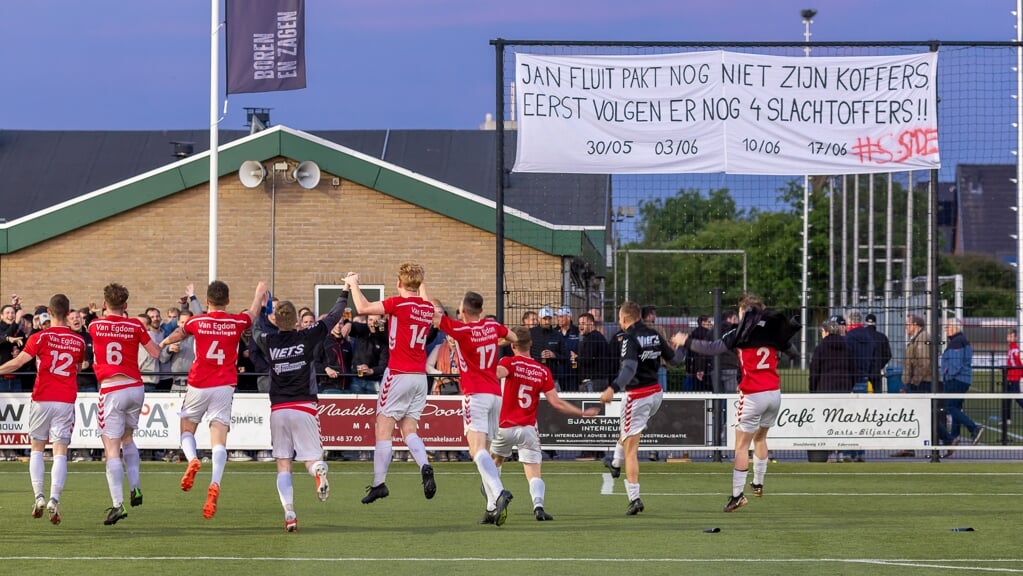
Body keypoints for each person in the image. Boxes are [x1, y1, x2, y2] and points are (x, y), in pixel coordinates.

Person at [159, 279, 267, 519]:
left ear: (207, 301)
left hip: (199, 382)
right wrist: (259, 293)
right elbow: (252, 313)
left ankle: (193, 459)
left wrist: (165, 341)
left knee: (186, 429)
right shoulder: (237, 321)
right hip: (225, 385)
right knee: (219, 436)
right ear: (227, 301)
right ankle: (215, 482)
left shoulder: (197, 321)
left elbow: (180, 332)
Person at [684, 293, 799, 513]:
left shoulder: (740, 333)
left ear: (744, 312)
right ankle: (758, 483)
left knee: (741, 446)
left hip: (753, 393)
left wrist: (686, 341)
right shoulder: (774, 331)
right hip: (774, 392)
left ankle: (737, 496)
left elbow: (713, 348)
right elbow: (792, 353)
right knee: (761, 438)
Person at [252, 288, 347, 532]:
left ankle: (290, 513)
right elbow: (333, 317)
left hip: (279, 409)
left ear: (276, 320)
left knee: (284, 464)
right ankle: (318, 470)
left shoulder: (270, 341)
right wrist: (344, 292)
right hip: (304, 406)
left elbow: (254, 330)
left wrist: (262, 306)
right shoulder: (307, 336)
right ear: (296, 320)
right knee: (311, 459)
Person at [345, 263, 437, 505]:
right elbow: (425, 297)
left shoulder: (398, 303)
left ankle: (379, 484)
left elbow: (363, 307)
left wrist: (354, 283)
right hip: (419, 377)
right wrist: (419, 281)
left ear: (398, 283)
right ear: (419, 284)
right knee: (409, 429)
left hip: (398, 373)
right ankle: (424, 465)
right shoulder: (427, 308)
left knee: (383, 429)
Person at [491, 326, 600, 521]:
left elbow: (494, 373)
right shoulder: (542, 371)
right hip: (528, 428)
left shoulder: (508, 362)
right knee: (534, 470)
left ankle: (493, 503)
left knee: (494, 462)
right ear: (531, 344)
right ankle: (538, 506)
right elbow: (556, 403)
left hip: (506, 426)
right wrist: (581, 412)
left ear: (512, 345)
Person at [433, 291, 519, 526]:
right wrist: (492, 341)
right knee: (486, 453)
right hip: (495, 395)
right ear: (481, 310)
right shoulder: (492, 327)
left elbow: (435, 317)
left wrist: (422, 290)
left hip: (476, 394)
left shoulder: (462, 330)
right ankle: (491, 506)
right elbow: (512, 337)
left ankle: (500, 492)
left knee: (476, 450)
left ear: (463, 310)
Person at [0, 294, 85, 525]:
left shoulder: (40, 337)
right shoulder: (77, 341)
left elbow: (17, 363)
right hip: (65, 399)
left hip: (42, 397)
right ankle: (54, 500)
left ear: (49, 311)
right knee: (60, 451)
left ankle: (38, 496)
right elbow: (79, 366)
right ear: (68, 313)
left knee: (37, 447)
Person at [600, 301, 685, 516]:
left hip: (637, 396)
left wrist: (613, 388)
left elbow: (629, 368)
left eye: (620, 319)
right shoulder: (655, 334)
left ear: (626, 318)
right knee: (629, 432)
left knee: (632, 448)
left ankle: (634, 498)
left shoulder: (629, 337)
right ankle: (615, 463)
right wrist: (682, 344)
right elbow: (676, 360)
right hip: (656, 393)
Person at [89, 283, 161, 525]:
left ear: (104, 304)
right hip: (135, 386)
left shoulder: (95, 325)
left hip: (112, 388)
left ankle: (118, 504)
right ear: (127, 306)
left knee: (111, 448)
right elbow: (155, 353)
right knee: (128, 438)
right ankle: (136, 486)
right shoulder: (135, 325)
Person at [940, 317, 983, 452]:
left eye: (947, 327)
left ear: (955, 327)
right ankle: (954, 437)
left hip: (956, 380)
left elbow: (955, 364)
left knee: (951, 407)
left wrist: (948, 374)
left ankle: (973, 428)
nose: (945, 329)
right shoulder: (961, 341)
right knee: (956, 408)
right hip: (962, 380)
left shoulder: (957, 343)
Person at [894, 314, 931, 458]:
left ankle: (947, 439)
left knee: (921, 415)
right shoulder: (916, 338)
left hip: (921, 382)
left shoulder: (922, 338)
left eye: (907, 324)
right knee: (912, 415)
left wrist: (914, 381)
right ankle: (907, 447)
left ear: (915, 324)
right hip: (915, 381)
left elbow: (924, 362)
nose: (905, 327)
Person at [864, 313, 892, 393]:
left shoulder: (860, 336)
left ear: (865, 323)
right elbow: (888, 355)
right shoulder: (882, 337)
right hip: (876, 372)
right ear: (875, 323)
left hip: (863, 372)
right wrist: (880, 364)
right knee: (877, 396)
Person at [1003, 328, 1023, 426]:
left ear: (1015, 337)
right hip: (1010, 377)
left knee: (1018, 398)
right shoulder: (1011, 348)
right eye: (1008, 336)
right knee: (1007, 398)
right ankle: (1007, 419)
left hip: (1014, 377)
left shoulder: (1015, 349)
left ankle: (1007, 419)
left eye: (1011, 336)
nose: (1008, 337)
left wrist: (1019, 374)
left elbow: (1019, 364)